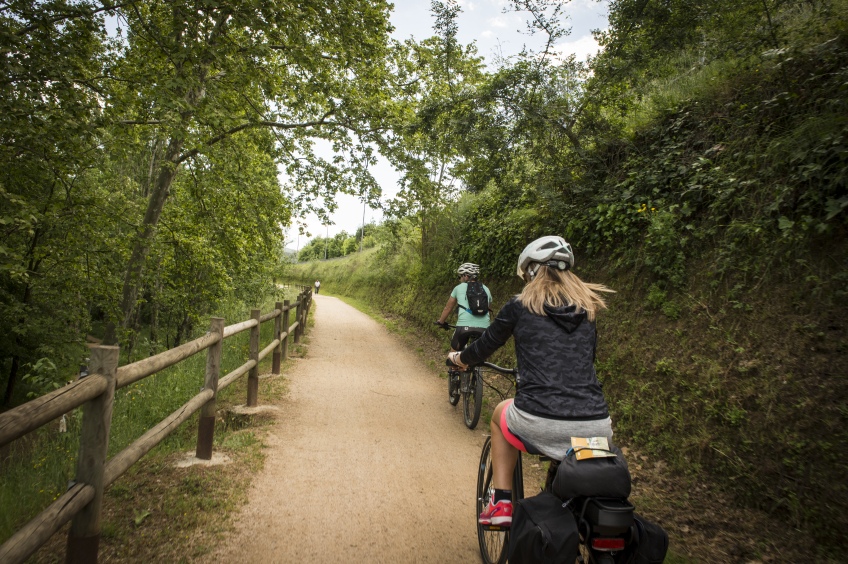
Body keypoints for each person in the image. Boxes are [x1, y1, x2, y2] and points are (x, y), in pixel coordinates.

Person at [446, 236, 615, 527]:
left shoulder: (520, 305)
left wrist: (459, 359)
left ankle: (500, 502)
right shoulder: (588, 308)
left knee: (500, 414)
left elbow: (484, 346)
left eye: (526, 274)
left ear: (533, 270)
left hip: (539, 419)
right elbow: (584, 360)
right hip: (597, 425)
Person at [434, 263, 493, 399]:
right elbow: (488, 307)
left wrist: (441, 322)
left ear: (466, 276)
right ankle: (473, 372)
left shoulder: (458, 288)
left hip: (463, 327)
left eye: (461, 276)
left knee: (454, 352)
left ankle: (454, 377)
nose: (460, 279)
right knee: (478, 354)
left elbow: (448, 308)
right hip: (484, 328)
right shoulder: (486, 289)